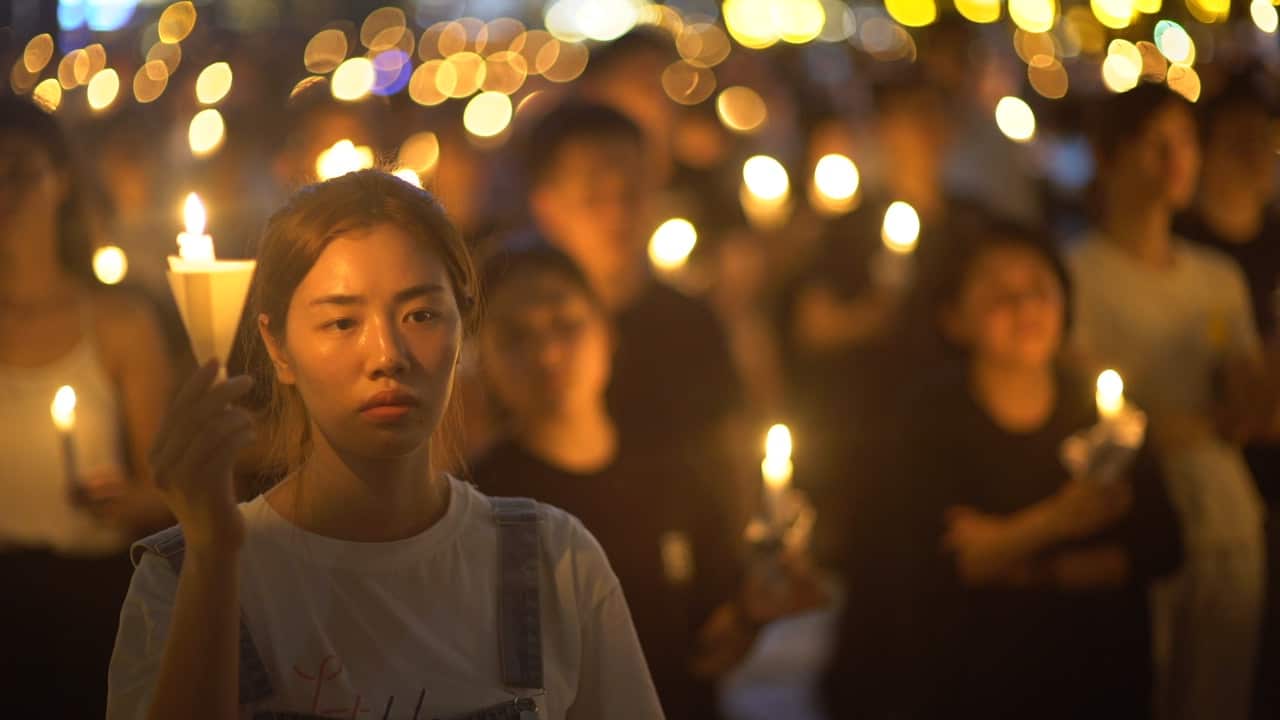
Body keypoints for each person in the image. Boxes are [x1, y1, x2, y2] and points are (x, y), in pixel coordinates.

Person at [106, 170, 663, 720]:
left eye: (420, 315)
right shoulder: (184, 575)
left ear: (462, 327)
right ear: (277, 346)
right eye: (342, 322)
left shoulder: (552, 561)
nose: (387, 354)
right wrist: (213, 558)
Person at [823, 222, 1183, 718]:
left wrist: (1011, 553)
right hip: (969, 684)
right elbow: (927, 565)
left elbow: (1163, 545)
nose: (1025, 308)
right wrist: (1060, 520)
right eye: (998, 295)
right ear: (953, 318)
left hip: (1095, 683)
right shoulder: (925, 422)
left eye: (1039, 289)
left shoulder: (1104, 413)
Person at [469, 244, 748, 718]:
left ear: (607, 333)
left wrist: (754, 611)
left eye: (566, 325)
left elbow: (711, 639)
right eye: (516, 337)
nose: (548, 353)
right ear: (483, 357)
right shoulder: (477, 500)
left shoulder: (670, 469)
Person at [1068, 82, 1270, 720]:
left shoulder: (1218, 278)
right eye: (1157, 145)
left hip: (1227, 515)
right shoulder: (1075, 274)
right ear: (1110, 156)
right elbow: (1090, 415)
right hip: (1135, 512)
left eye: (1185, 143)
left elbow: (1249, 400)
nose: (1177, 161)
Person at [0, 95, 174, 718]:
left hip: (87, 594)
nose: (4, 193)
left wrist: (122, 500)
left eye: (19, 171)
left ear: (62, 179)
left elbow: (167, 492)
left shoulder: (119, 322)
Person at [522, 101, 747, 525]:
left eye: (633, 190)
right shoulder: (524, 335)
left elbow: (731, 456)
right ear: (547, 207)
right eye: (593, 197)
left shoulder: (692, 323)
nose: (618, 214)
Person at [1174, 70, 1280, 717]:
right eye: (1237, 140)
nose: (1255, 157)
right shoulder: (1184, 252)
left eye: (1264, 141)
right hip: (1208, 492)